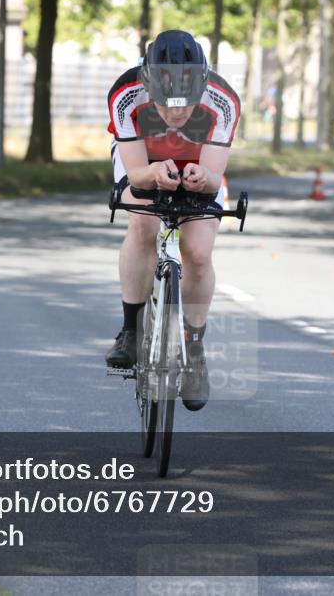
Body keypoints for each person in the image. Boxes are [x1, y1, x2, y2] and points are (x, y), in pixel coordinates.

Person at [103, 29, 240, 412]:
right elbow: (134, 174)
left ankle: (194, 350)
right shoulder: (125, 93)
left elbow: (213, 178)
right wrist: (153, 175)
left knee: (197, 251)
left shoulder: (224, 99)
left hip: (199, 161)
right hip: (145, 161)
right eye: (166, 106)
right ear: (149, 86)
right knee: (143, 224)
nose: (177, 114)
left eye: (186, 106)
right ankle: (130, 331)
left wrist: (201, 180)